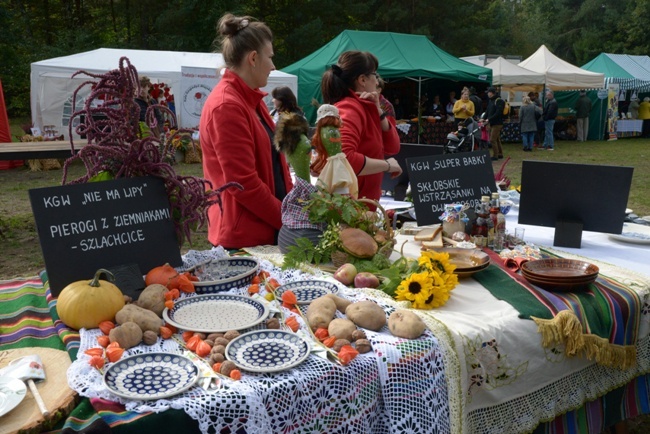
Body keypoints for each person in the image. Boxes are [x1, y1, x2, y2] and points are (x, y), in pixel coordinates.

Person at [199, 13, 293, 249]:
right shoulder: (227, 106)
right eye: (270, 57)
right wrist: (289, 221)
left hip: (261, 231)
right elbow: (243, 184)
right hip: (243, 240)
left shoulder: (249, 98)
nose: (273, 66)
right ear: (253, 58)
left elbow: (273, 163)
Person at [320, 50, 402, 203]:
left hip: (360, 206)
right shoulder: (350, 108)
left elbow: (393, 147)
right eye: (375, 75)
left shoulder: (362, 107)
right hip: (353, 208)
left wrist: (379, 113)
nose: (377, 82)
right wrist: (387, 165)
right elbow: (344, 159)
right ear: (362, 80)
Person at [485, 86, 505, 160]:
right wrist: (483, 118)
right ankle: (500, 153)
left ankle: (495, 155)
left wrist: (489, 119)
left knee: (492, 139)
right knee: (496, 139)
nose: (487, 94)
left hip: (497, 123)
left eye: (488, 92)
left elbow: (498, 113)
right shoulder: (490, 101)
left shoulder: (499, 101)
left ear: (491, 93)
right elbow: (487, 111)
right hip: (492, 123)